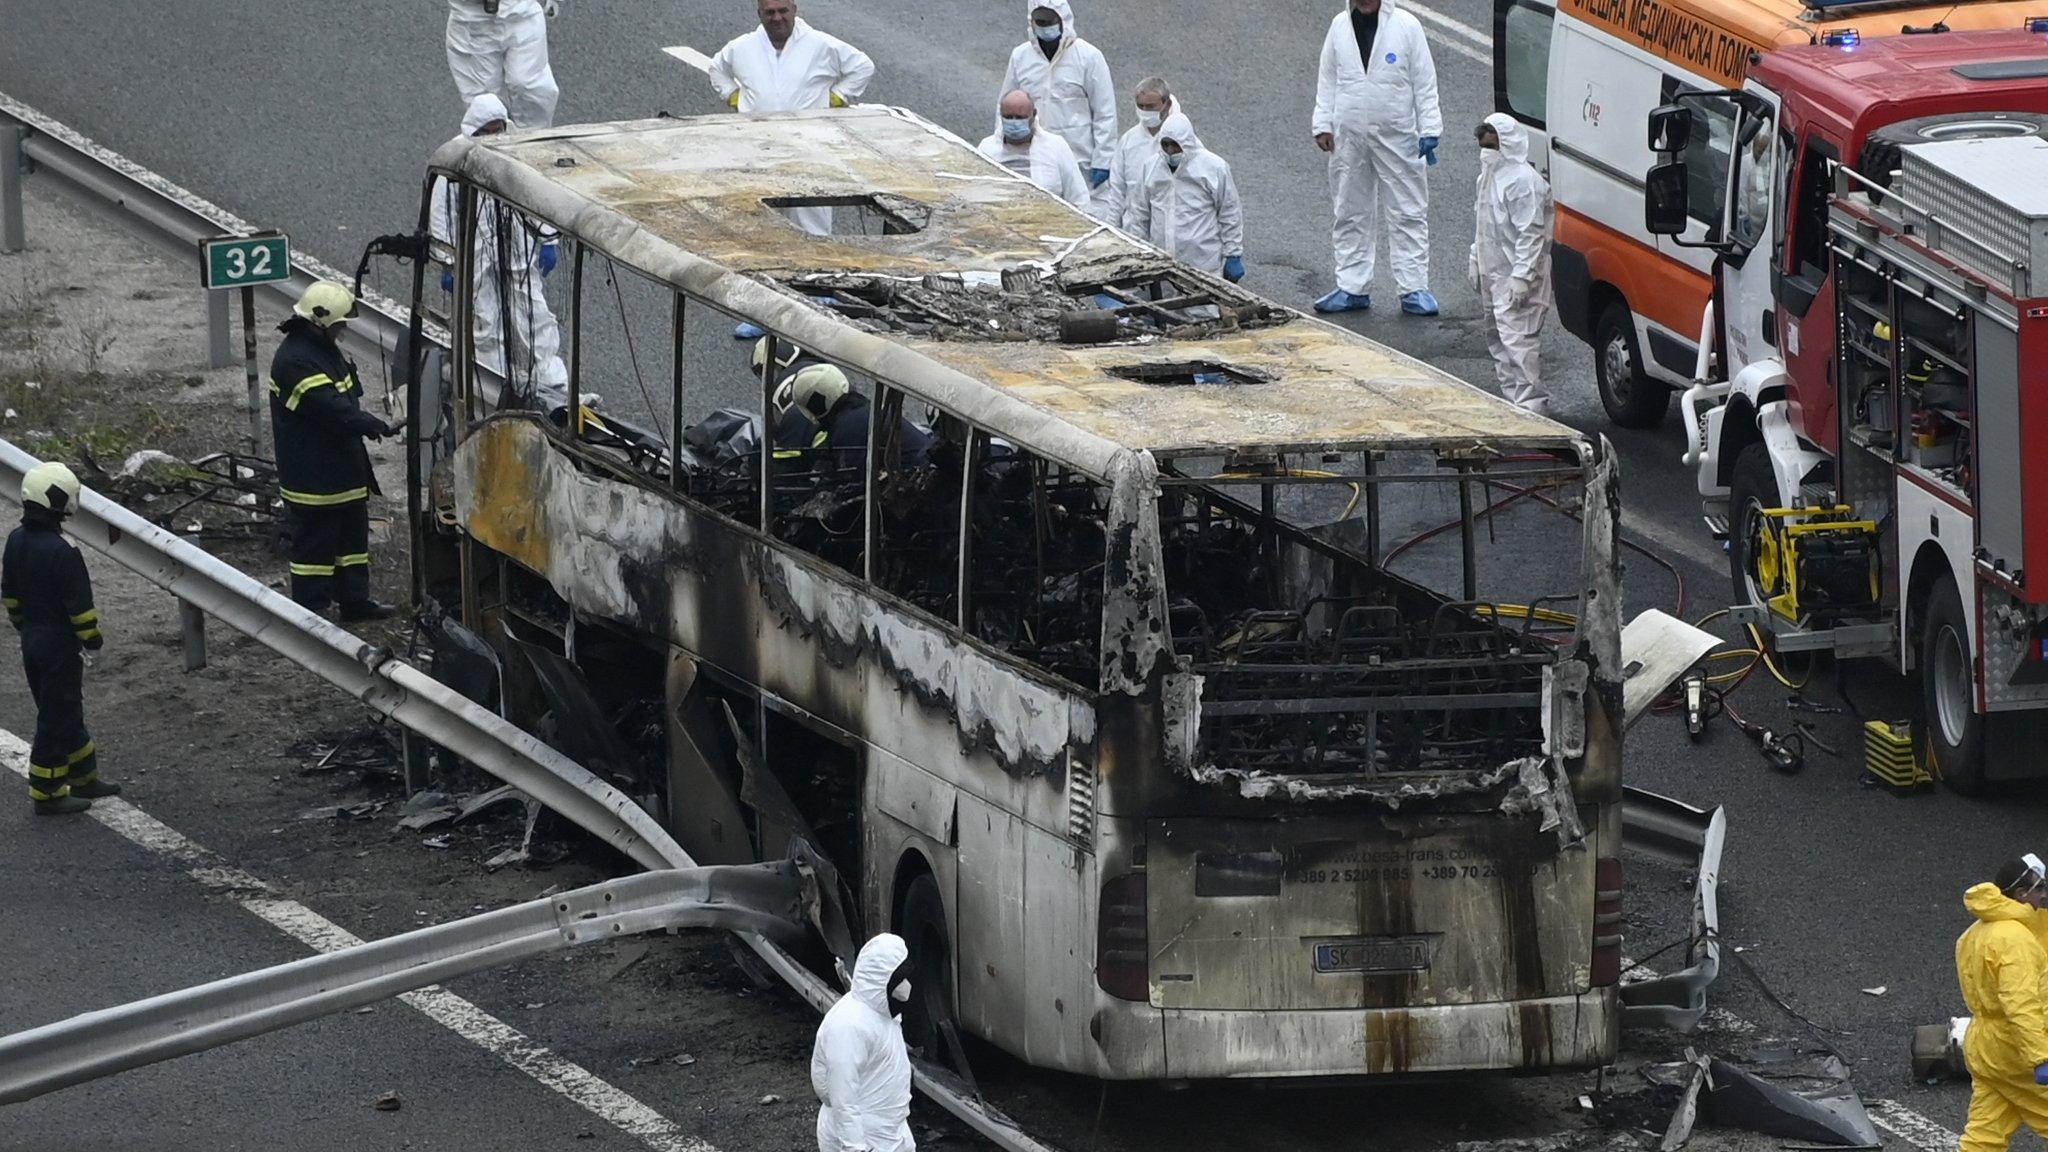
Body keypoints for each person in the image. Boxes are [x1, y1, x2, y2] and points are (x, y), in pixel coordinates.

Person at [269, 281, 399, 623]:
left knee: (352, 544)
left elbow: (344, 398)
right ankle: (312, 610)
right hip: (314, 476)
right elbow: (332, 409)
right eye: (339, 324)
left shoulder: (320, 349)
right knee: (315, 545)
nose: (342, 331)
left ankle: (355, 601)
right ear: (320, 321)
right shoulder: (295, 360)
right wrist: (372, 424)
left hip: (341, 469)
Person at [431, 94, 570, 396]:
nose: (495, 136)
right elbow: (441, 212)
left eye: (499, 129)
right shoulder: (456, 158)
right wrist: (447, 260)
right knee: (484, 314)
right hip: (474, 250)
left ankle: (550, 377)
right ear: (475, 129)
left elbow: (536, 195)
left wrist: (547, 238)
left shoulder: (515, 154)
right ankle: (493, 379)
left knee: (533, 308)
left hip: (517, 244)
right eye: (489, 130)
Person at [1311, 0, 1443, 316]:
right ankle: (1352, 286)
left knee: (1407, 210)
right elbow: (1328, 80)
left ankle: (1413, 288)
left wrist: (1430, 128)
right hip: (1349, 137)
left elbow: (1424, 81)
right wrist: (1322, 123)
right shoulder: (1339, 28)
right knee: (1349, 210)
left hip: (1398, 135)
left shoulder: (1407, 27)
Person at [4, 463, 118, 815]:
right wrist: (92, 639)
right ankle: (47, 790)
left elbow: (9, 595)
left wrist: (24, 625)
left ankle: (84, 775)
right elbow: (80, 608)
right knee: (57, 714)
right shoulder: (64, 550)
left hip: (32, 639)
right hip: (59, 645)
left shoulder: (15, 540)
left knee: (62, 707)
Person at [1958, 854, 2048, 1152]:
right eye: (2039, 887)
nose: (2043, 894)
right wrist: (2040, 1057)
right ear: (2021, 894)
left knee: (1984, 1136)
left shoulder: (1973, 934)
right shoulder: (2016, 940)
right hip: (2016, 1051)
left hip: (1984, 1047)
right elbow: (2020, 1004)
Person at [1470, 113, 1554, 416]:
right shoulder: (1488, 177)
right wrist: (1474, 258)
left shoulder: (1523, 183)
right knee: (1500, 343)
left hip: (1518, 277)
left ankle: (1533, 411)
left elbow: (1531, 233)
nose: (1486, 152)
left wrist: (1522, 277)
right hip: (1495, 274)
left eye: (1492, 146)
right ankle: (1513, 406)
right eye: (1483, 145)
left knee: (1519, 345)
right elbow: (1484, 223)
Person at [811, 933, 915, 1152]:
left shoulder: (883, 1012)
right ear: (881, 982)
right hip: (865, 1137)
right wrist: (855, 1147)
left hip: (889, 1131)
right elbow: (843, 1100)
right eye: (899, 980)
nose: (906, 986)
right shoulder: (849, 1026)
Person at [999, 1, 1117, 193]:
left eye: (1049, 21)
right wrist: (1000, 148)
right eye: (1039, 21)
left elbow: (1105, 112)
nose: (1044, 26)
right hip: (1035, 158)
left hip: (1079, 158)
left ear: (1063, 19)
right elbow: (1005, 106)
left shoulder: (1089, 57)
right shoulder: (1020, 57)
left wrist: (1103, 159)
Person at [1130, 113, 1245, 283]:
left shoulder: (1213, 168)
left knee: (1201, 309)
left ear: (1187, 142)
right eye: (1165, 144)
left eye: (1175, 145)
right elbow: (1140, 214)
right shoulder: (1151, 167)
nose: (1170, 151)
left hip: (1203, 266)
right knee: (1162, 308)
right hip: (1161, 266)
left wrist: (1233, 253)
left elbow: (1229, 212)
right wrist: (1136, 251)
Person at [445, 0, 561, 131]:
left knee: (529, 86)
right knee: (486, 106)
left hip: (521, 12)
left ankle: (534, 142)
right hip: (472, 21)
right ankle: (493, 146)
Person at [978, 90, 1091, 208]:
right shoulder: (986, 149)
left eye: (1020, 117)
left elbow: (1079, 198)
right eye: (1008, 117)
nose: (1014, 122)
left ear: (1033, 114)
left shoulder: (1056, 147)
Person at [1095, 76, 1181, 231]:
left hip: (1171, 229)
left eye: (1151, 107)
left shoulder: (1181, 141)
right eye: (1141, 106)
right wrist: (1111, 228)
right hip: (1134, 229)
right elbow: (1117, 191)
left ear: (1166, 105)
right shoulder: (1129, 142)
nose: (1145, 112)